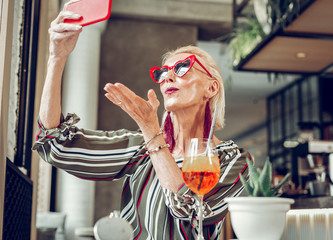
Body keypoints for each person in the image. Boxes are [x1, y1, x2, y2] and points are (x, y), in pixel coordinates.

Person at [33, 2, 251, 239]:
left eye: (181, 68)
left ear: (211, 87)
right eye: (163, 72)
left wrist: (150, 129)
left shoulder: (232, 160)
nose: (167, 76)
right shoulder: (140, 149)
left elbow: (191, 212)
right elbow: (54, 144)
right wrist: (56, 58)